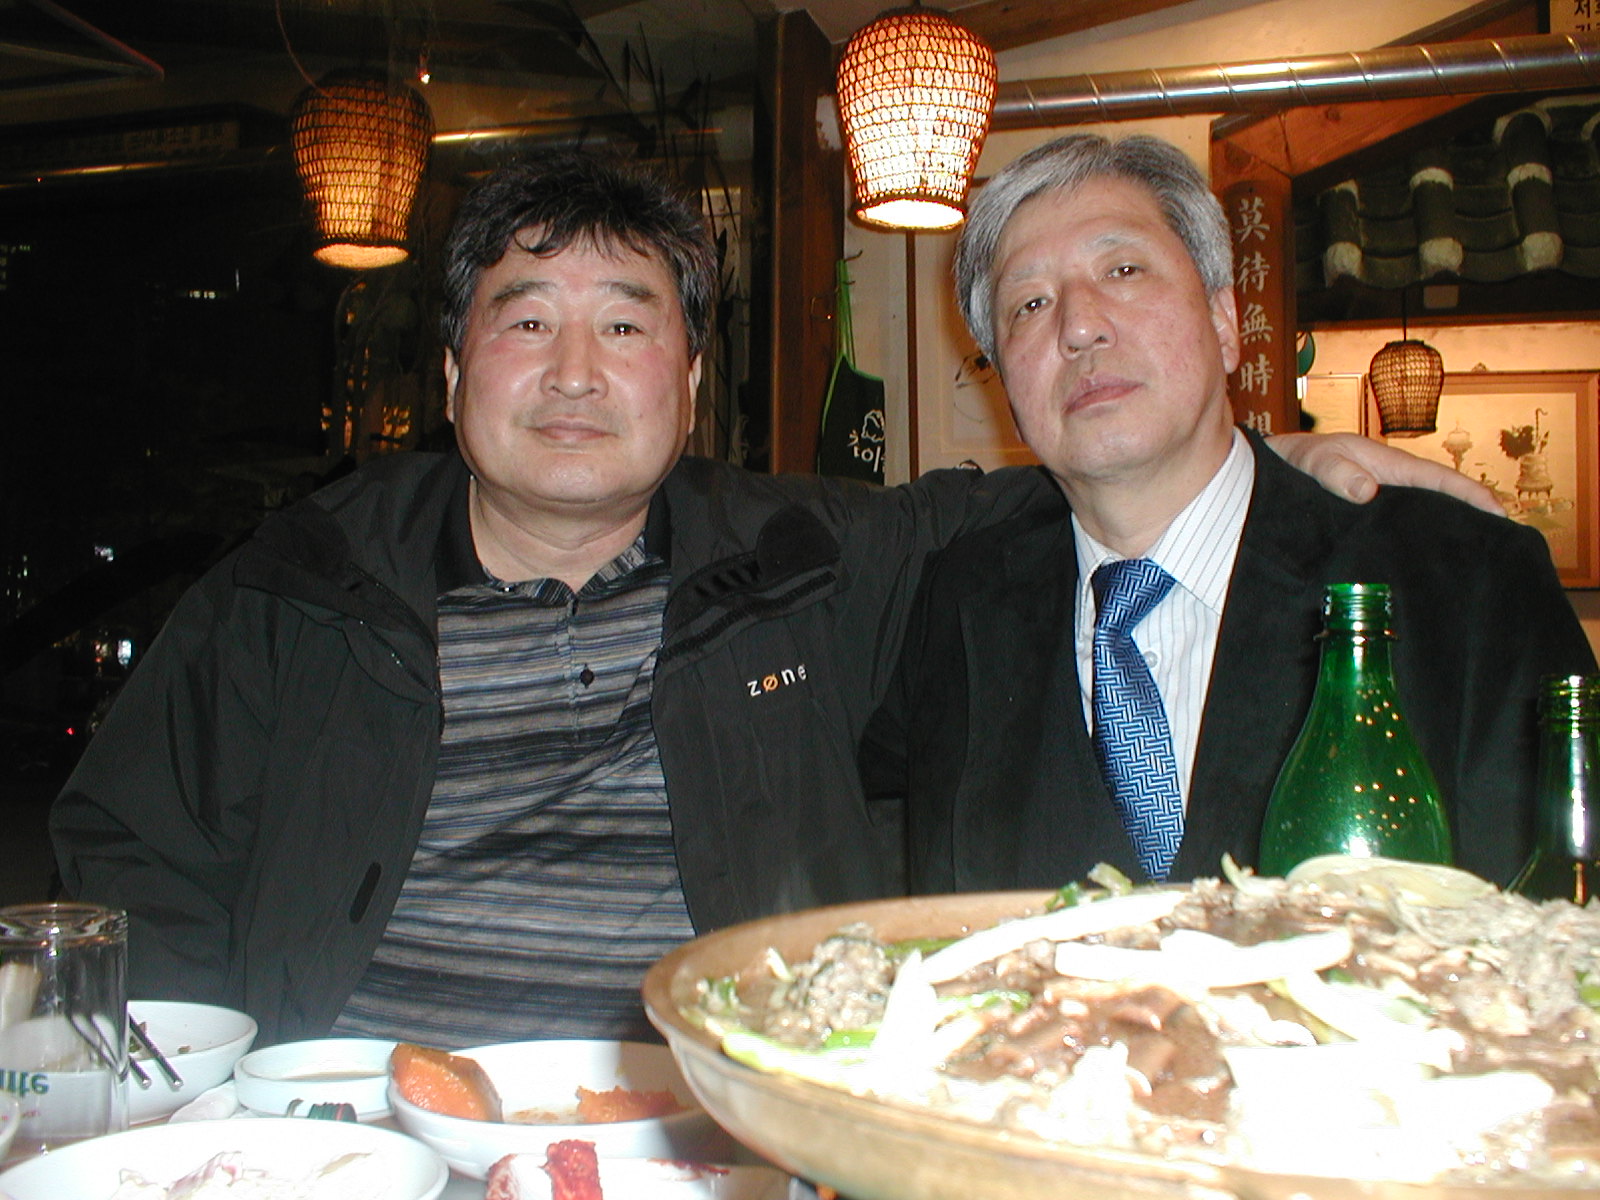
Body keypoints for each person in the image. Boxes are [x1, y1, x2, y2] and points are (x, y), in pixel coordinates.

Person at [50, 148, 1504, 1048]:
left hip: (710, 1136)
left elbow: (1077, 484)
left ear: (690, 383)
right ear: (451, 374)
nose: (574, 374)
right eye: (526, 321)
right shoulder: (301, 588)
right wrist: (217, 1086)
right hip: (356, 1131)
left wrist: (1274, 455)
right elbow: (124, 859)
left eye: (626, 327)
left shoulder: (804, 565)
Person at [860, 132, 1596, 895]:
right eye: (1030, 304)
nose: (1078, 327)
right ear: (1007, 386)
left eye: (1122, 269)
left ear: (1223, 321)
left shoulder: (1465, 585)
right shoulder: (956, 607)